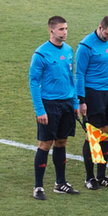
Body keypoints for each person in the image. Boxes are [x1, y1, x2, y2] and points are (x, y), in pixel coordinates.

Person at [30, 15, 80, 199]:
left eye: (66, 28)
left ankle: (60, 183)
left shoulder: (68, 50)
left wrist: (75, 102)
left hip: (66, 103)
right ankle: (38, 187)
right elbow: (34, 83)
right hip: (49, 104)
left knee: (61, 142)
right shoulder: (41, 54)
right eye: (61, 29)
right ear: (51, 31)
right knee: (45, 144)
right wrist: (40, 110)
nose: (65, 32)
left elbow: (71, 77)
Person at [75, 16, 108, 189]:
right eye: (107, 34)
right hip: (93, 94)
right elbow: (79, 74)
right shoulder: (86, 46)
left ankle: (101, 175)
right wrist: (81, 100)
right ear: (100, 27)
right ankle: (90, 178)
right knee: (93, 135)